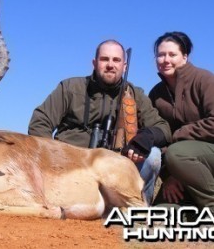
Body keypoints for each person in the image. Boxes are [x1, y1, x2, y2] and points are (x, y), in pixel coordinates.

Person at [28, 39, 172, 205]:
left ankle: (139, 206)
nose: (110, 65)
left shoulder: (135, 94)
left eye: (116, 60)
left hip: (114, 167)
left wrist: (145, 138)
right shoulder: (70, 87)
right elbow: (40, 122)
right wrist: (53, 157)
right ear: (94, 63)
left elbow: (163, 128)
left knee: (153, 156)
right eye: (105, 59)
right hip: (71, 165)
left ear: (124, 66)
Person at [149, 31, 214, 215]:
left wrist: (178, 136)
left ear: (184, 57)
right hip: (182, 167)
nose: (165, 60)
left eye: (172, 54)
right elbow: (157, 136)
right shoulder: (156, 94)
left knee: (178, 152)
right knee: (162, 214)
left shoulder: (205, 80)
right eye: (161, 55)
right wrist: (172, 176)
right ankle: (195, 212)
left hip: (205, 157)